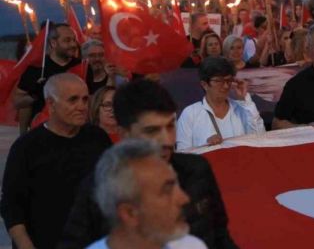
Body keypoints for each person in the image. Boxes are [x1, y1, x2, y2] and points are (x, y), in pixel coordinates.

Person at [60, 79, 237, 249]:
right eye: (151, 131)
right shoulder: (97, 187)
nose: (166, 140)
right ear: (124, 134)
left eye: (170, 126)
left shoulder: (197, 169)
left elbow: (220, 235)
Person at [1, 73, 112, 249]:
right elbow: (12, 206)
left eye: (85, 99)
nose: (82, 106)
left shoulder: (98, 138)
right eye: (73, 100)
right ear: (51, 104)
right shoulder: (26, 147)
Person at [87, 140, 207, 249]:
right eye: (166, 190)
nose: (184, 199)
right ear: (130, 213)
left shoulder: (191, 246)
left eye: (177, 185)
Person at [177, 57, 265, 150]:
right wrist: (206, 147)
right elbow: (183, 154)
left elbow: (261, 138)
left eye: (228, 80)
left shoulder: (242, 108)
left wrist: (245, 99)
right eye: (219, 81)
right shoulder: (190, 114)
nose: (226, 86)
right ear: (204, 84)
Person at [14, 22, 82, 134]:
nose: (73, 44)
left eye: (74, 40)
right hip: (42, 131)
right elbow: (18, 102)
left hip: (75, 130)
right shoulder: (37, 68)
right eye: (67, 40)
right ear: (53, 43)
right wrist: (35, 94)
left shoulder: (81, 66)